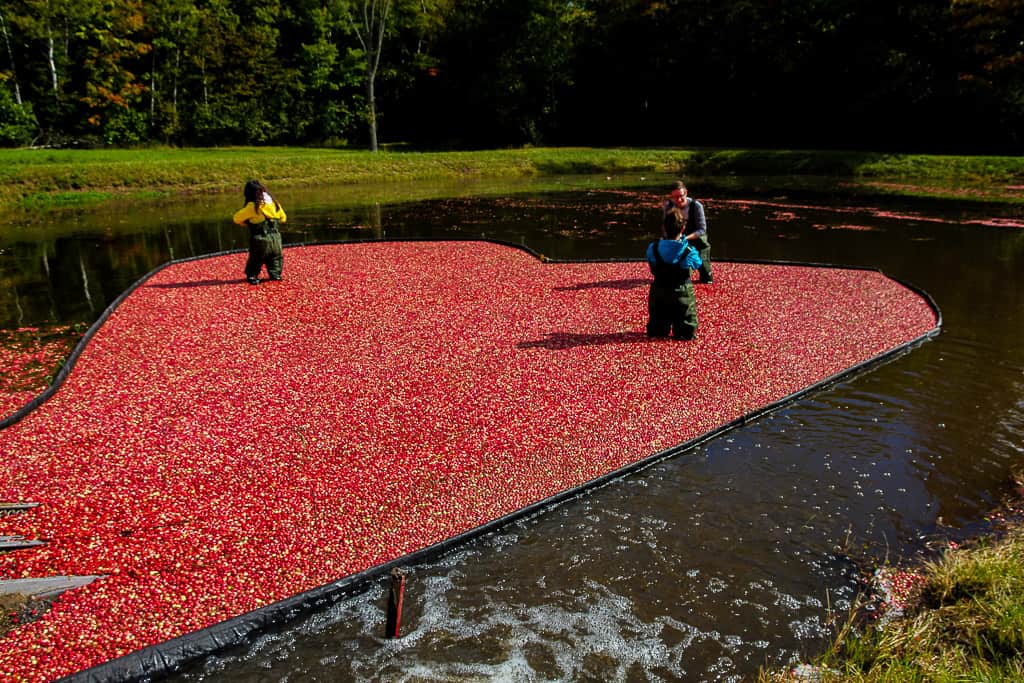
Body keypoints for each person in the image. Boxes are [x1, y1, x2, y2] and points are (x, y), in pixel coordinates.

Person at [646, 207, 702, 340]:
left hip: (659, 292)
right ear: (683, 228)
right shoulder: (689, 251)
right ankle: (683, 332)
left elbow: (651, 261)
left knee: (657, 330)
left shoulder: (652, 248)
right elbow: (698, 263)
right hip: (682, 294)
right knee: (686, 332)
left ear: (663, 227)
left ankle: (658, 329)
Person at [233, 180, 287, 284]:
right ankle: (276, 275)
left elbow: (236, 218)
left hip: (260, 240)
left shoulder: (252, 207)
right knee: (275, 259)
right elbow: (283, 218)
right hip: (276, 240)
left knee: (256, 259)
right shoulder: (275, 204)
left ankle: (253, 277)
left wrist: (246, 223)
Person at [662, 180, 713, 283]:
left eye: (681, 195)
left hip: (696, 237)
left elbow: (702, 229)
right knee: (680, 271)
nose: (679, 199)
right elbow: (665, 226)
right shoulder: (668, 206)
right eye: (675, 197)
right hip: (676, 237)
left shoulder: (696, 206)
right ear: (671, 196)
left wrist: (685, 238)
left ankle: (706, 277)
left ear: (686, 192)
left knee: (705, 273)